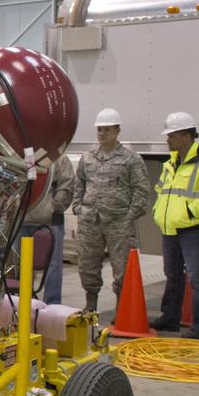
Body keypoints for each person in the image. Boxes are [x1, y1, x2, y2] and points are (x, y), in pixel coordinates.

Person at [150, 112, 199, 339]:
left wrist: (188, 212)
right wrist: (159, 213)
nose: (168, 140)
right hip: (171, 229)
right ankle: (170, 319)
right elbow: (161, 192)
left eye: (171, 135)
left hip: (193, 230)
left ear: (186, 135)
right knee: (173, 275)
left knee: (197, 278)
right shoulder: (170, 164)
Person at [72, 108, 150, 314]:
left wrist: (130, 216)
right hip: (90, 221)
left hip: (119, 222)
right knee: (87, 264)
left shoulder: (131, 159)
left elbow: (141, 190)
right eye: (99, 130)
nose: (102, 134)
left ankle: (121, 310)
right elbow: (78, 183)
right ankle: (91, 305)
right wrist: (78, 207)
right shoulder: (88, 158)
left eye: (107, 129)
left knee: (122, 268)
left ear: (117, 130)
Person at [18, 154, 74, 305]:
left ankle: (52, 305)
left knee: (53, 265)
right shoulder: (19, 154)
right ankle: (22, 303)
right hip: (20, 221)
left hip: (50, 221)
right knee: (20, 265)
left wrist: (53, 207)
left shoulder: (58, 157)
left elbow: (66, 185)